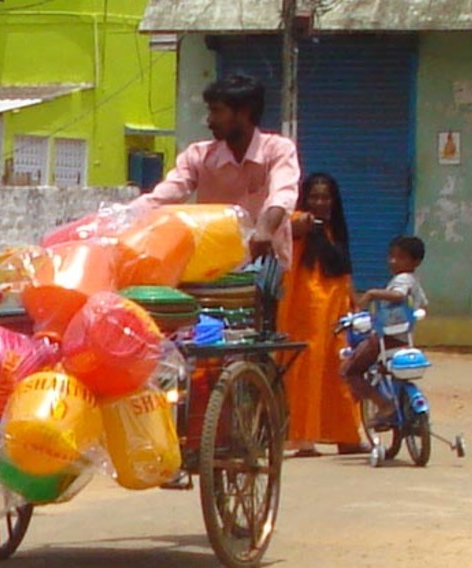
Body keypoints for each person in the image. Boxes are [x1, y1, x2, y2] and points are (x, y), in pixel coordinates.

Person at [135, 73, 302, 266]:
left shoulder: (278, 149)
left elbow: (283, 194)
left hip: (266, 268)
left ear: (245, 112)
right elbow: (165, 195)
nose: (209, 121)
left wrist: (264, 230)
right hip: (214, 266)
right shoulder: (198, 155)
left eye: (217, 111)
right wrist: (125, 217)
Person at [280, 174, 365, 457]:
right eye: (314, 196)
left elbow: (344, 270)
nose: (319, 202)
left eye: (325, 197)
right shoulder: (300, 222)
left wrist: (355, 300)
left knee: (340, 367)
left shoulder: (335, 230)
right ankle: (303, 437)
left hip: (337, 310)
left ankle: (346, 436)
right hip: (305, 311)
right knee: (306, 368)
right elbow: (287, 228)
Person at [341, 236, 429, 428]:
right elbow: (422, 304)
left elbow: (398, 295)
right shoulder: (414, 281)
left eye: (400, 258)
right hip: (404, 339)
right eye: (391, 256)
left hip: (387, 340)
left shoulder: (403, 279)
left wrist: (372, 294)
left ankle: (384, 405)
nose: (393, 261)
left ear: (416, 262)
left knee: (349, 371)